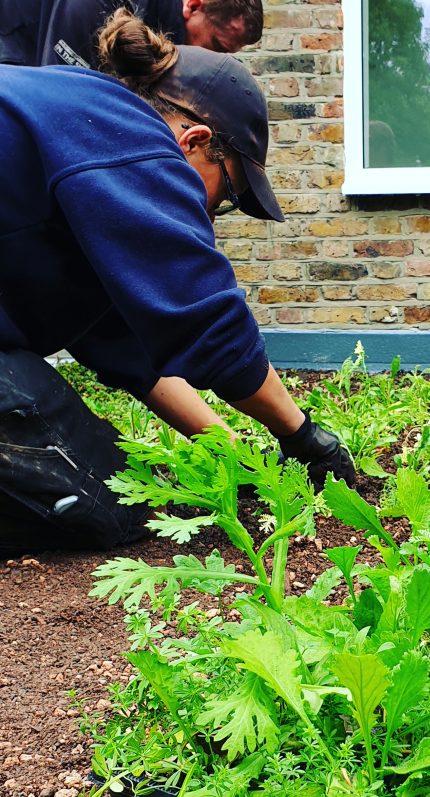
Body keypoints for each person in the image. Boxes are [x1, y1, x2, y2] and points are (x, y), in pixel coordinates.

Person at [0, 9, 355, 559]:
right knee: (91, 506)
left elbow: (127, 348)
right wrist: (302, 436)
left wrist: (235, 455)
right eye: (227, 196)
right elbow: (205, 319)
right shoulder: (134, 138)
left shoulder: (84, 121)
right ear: (194, 140)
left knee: (108, 483)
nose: (213, 214)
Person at [0, 0, 262, 69]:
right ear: (193, 6)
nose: (212, 59)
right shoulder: (99, 6)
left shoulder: (153, 21)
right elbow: (59, 95)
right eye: (215, 46)